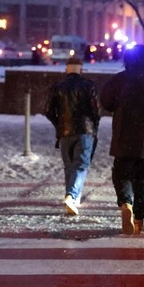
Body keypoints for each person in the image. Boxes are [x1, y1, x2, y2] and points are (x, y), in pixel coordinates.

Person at [100, 44, 144, 235]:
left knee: (122, 174)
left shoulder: (119, 80)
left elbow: (106, 102)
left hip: (124, 136)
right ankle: (140, 219)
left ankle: (126, 203)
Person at [45, 56, 100, 216]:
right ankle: (72, 196)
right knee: (81, 164)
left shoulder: (58, 86)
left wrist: (59, 124)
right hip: (85, 130)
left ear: (66, 69)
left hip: (64, 131)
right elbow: (96, 110)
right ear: (81, 69)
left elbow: (48, 110)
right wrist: (93, 126)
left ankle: (71, 196)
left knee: (69, 165)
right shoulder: (89, 85)